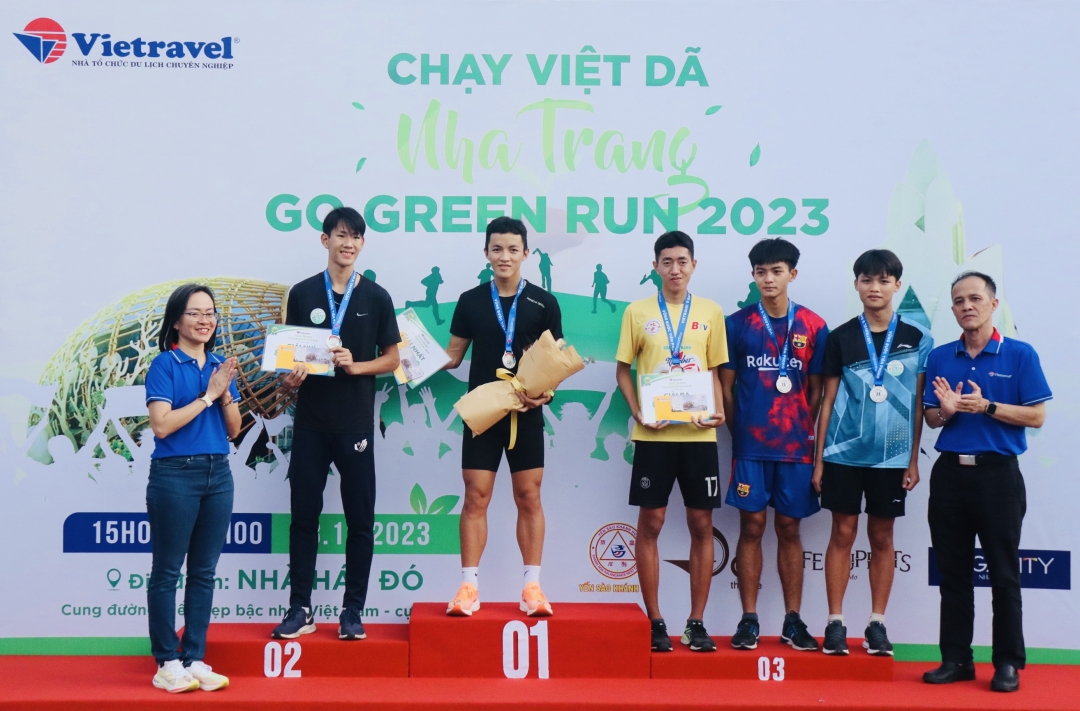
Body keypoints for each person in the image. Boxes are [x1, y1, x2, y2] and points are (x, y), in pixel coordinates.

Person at [271, 207, 401, 642]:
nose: (348, 244)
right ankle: (300, 608)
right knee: (303, 518)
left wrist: (357, 365)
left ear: (362, 244)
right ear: (324, 240)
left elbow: (393, 359)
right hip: (310, 424)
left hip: (355, 426)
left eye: (356, 237)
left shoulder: (378, 297)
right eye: (340, 235)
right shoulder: (303, 292)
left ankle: (352, 611)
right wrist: (289, 377)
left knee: (360, 520)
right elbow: (288, 356)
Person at [920, 272, 1050, 693]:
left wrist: (988, 406)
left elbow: (1037, 417)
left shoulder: (1019, 354)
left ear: (994, 304)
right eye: (958, 301)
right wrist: (949, 410)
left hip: (998, 476)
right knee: (953, 572)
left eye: (975, 299)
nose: (966, 307)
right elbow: (932, 419)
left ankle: (1008, 663)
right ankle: (956, 659)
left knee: (1004, 573)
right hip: (950, 475)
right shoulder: (940, 357)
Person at [813, 249, 931, 656]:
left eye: (883, 280)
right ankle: (835, 622)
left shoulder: (917, 339)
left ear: (897, 284)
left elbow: (917, 405)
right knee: (842, 534)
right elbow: (827, 403)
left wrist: (913, 459)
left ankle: (877, 624)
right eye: (867, 280)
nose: (874, 287)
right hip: (843, 455)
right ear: (856, 284)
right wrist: (818, 460)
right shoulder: (841, 337)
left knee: (882, 536)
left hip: (892, 458)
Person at [444, 216, 563, 617]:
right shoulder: (471, 300)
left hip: (525, 413)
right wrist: (411, 358)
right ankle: (468, 588)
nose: (505, 256)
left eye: (513, 249)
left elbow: (555, 361)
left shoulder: (544, 302)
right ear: (486, 253)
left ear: (526, 253)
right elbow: (454, 356)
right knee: (475, 495)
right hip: (483, 410)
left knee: (529, 496)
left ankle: (532, 587)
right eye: (497, 249)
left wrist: (547, 392)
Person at [615, 230, 728, 653]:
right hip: (654, 434)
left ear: (693, 265)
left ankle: (696, 622)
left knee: (702, 525)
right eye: (667, 261)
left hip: (700, 435)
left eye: (682, 261)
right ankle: (655, 619)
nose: (675, 269)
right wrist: (637, 411)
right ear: (656, 266)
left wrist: (717, 410)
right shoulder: (637, 311)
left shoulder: (711, 312)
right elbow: (623, 370)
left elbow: (715, 371)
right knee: (652, 524)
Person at [721, 238, 828, 653]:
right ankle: (749, 619)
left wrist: (800, 425)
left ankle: (792, 620)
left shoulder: (815, 327)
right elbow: (726, 389)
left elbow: (816, 392)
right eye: (761, 272)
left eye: (777, 271)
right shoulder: (738, 324)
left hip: (796, 449)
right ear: (753, 276)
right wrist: (741, 430)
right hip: (751, 446)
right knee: (751, 527)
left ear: (792, 275)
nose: (769, 279)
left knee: (789, 528)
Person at [144, 283, 242, 693]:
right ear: (177, 320)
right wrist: (208, 396)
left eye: (211, 313)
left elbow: (235, 430)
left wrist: (223, 395)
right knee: (167, 571)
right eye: (196, 313)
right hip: (174, 474)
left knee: (203, 572)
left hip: (218, 472)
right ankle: (167, 661)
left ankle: (194, 658)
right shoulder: (164, 365)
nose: (205, 321)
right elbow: (162, 425)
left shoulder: (220, 364)